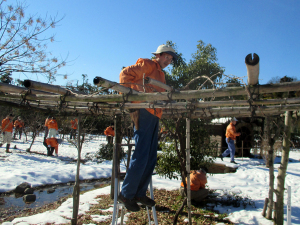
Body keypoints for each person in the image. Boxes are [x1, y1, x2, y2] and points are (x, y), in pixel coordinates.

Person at [117, 44, 178, 212]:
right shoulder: (148, 65)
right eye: (166, 57)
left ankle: (139, 193)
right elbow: (124, 74)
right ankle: (126, 193)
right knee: (142, 154)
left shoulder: (161, 74)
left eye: (171, 59)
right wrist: (132, 99)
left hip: (154, 114)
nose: (168, 61)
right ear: (158, 55)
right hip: (143, 110)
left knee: (151, 157)